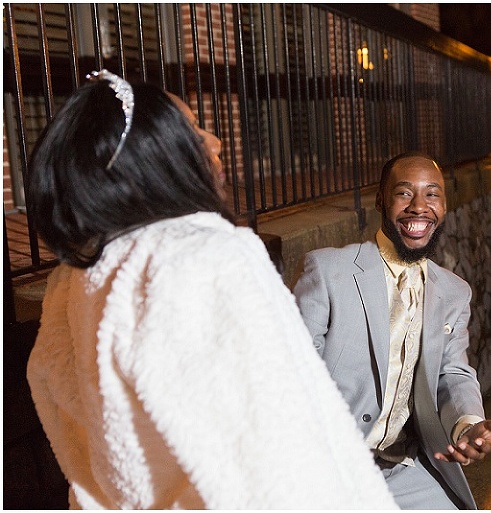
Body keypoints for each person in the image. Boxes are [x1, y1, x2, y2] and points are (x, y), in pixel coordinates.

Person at [25, 69, 398, 509]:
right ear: (155, 155)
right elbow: (278, 443)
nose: (215, 141)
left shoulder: (75, 277)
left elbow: (70, 426)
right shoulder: (207, 256)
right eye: (192, 129)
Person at [293, 151, 491, 509]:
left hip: (403, 468)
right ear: (381, 200)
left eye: (432, 194)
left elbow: (451, 373)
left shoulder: (454, 292)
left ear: (444, 205)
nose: (419, 206)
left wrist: (467, 425)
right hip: (328, 467)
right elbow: (292, 371)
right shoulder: (329, 271)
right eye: (404, 193)